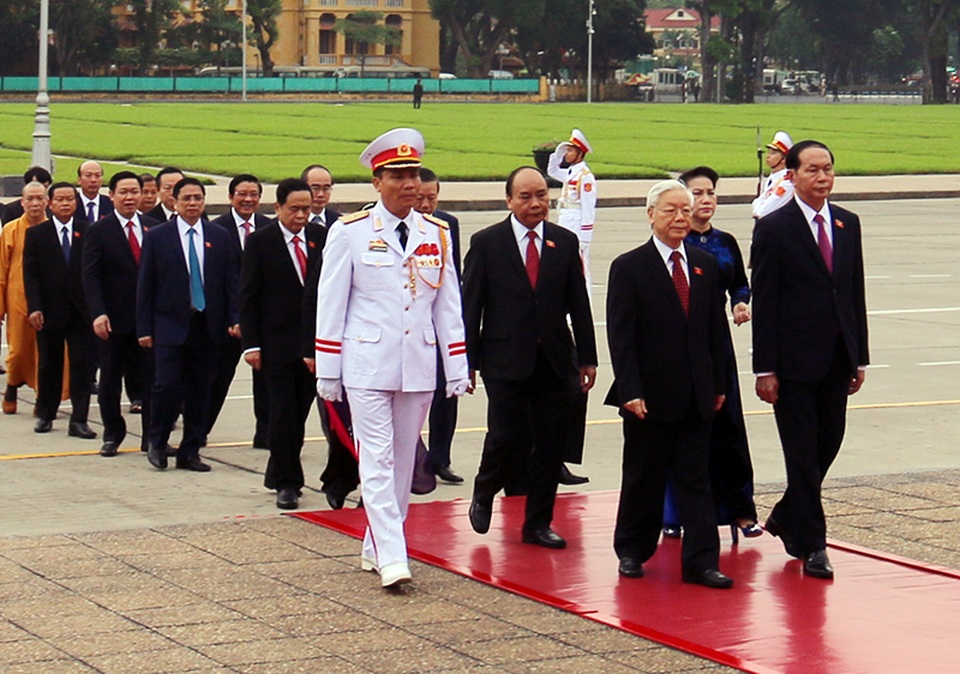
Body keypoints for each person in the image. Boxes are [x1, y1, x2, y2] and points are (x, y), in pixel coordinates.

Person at [315, 128, 469, 587]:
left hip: (417, 363)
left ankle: (377, 544)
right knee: (376, 460)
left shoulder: (436, 233)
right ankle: (394, 556)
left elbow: (448, 304)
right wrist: (329, 370)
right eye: (398, 175)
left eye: (413, 174)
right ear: (377, 182)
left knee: (404, 464)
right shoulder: (351, 233)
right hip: (366, 362)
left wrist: (456, 367)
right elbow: (331, 302)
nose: (409, 184)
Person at [605, 179, 732, 588]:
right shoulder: (629, 267)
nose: (680, 218)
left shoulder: (704, 265)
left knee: (696, 480)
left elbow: (715, 331)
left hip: (696, 394)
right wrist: (630, 389)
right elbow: (621, 336)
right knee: (643, 476)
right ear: (651, 215)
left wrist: (717, 384)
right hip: (649, 396)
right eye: (670, 210)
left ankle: (701, 562)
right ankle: (632, 550)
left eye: (685, 210)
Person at [463, 166, 597, 550]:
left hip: (555, 358)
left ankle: (538, 522)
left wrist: (587, 357)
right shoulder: (487, 243)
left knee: (550, 444)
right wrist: (466, 362)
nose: (536, 203)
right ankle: (485, 489)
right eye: (525, 197)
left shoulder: (564, 242)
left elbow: (579, 303)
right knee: (506, 435)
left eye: (542, 195)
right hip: (504, 358)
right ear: (509, 200)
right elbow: (472, 307)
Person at [752, 140, 869, 580]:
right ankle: (814, 544)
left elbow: (854, 291)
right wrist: (765, 368)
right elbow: (765, 301)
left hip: (838, 358)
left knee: (828, 443)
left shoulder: (847, 223)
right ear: (793, 175)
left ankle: (785, 513)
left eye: (828, 170)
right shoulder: (774, 227)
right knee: (800, 453)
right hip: (793, 362)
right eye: (812, 171)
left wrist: (860, 357)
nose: (822, 178)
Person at [659, 166, 760, 540]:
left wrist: (740, 303)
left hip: (717, 342)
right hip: (678, 344)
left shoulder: (726, 242)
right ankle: (675, 512)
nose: (705, 201)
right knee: (681, 427)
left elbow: (740, 284)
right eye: (696, 194)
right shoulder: (672, 243)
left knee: (728, 425)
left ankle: (739, 510)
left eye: (711, 193)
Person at [137, 178, 239, 472]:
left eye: (198, 198)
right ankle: (156, 441)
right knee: (166, 385)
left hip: (207, 326)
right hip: (170, 325)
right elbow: (146, 285)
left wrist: (234, 318)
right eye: (187, 198)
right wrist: (144, 328)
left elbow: (230, 282)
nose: (193, 203)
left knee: (200, 390)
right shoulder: (158, 236)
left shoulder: (218, 236)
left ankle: (190, 450)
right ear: (174, 202)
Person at [241, 178, 325, 509]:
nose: (302, 215)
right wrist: (251, 344)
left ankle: (276, 469)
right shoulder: (260, 242)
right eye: (295, 209)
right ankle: (288, 483)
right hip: (275, 344)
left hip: (313, 345)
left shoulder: (322, 238)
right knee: (282, 415)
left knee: (300, 414)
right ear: (277, 208)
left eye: (307, 209)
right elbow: (248, 295)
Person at [82, 171, 157, 457]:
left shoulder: (153, 228)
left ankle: (152, 437)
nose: (129, 197)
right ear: (111, 195)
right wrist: (98, 313)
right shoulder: (99, 230)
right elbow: (90, 276)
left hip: (147, 320)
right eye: (123, 192)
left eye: (134, 192)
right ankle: (113, 433)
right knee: (110, 380)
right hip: (112, 321)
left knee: (152, 380)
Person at [299, 163, 359, 509]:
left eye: (326, 187)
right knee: (338, 419)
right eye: (314, 187)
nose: (320, 194)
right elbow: (318, 297)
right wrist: (316, 348)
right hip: (338, 343)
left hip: (387, 348)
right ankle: (339, 478)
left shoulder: (345, 224)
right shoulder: (345, 234)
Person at [22, 182, 96, 439]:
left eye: (70, 200)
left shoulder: (88, 232)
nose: (65, 204)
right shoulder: (37, 234)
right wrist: (35, 307)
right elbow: (30, 274)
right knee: (49, 365)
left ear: (76, 203)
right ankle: (46, 414)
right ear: (49, 203)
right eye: (60, 200)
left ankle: (79, 419)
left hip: (81, 312)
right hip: (49, 311)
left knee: (82, 366)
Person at [208, 174, 272, 448]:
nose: (248, 199)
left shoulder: (270, 228)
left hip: (263, 321)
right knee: (217, 379)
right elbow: (217, 280)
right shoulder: (216, 230)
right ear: (230, 197)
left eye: (253, 194)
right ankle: (199, 431)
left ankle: (265, 434)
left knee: (266, 383)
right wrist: (234, 318)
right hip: (228, 321)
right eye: (242, 194)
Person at [415, 167, 465, 484]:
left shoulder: (448, 225)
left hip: (439, 322)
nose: (426, 205)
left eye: (432, 198)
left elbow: (452, 278)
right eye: (420, 198)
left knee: (447, 391)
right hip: (409, 325)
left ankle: (440, 457)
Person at [0, 182, 50, 414]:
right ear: (22, 202)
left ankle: (42, 396)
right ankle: (12, 385)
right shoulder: (11, 230)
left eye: (39, 198)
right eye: (30, 199)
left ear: (47, 201)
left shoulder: (52, 229)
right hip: (17, 297)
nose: (35, 203)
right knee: (18, 349)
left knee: (44, 351)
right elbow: (1, 270)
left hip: (47, 297)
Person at [751, 131, 794, 220]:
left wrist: (757, 207)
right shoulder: (773, 177)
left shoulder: (787, 182)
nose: (768, 156)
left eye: (773, 153)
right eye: (768, 152)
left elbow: (763, 211)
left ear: (784, 159)